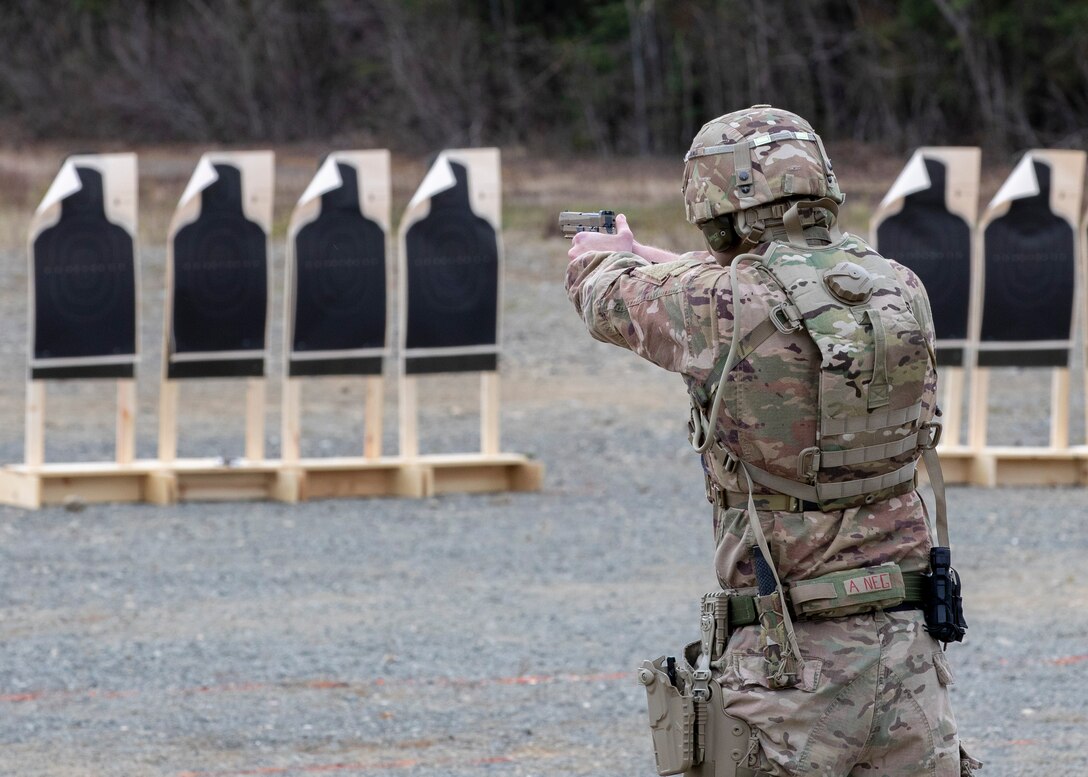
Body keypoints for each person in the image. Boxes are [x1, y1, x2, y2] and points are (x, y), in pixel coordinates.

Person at [564, 106, 979, 777]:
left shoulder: (713, 305)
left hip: (792, 665)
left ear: (717, 207)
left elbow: (607, 298)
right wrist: (662, 262)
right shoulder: (898, 286)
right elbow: (783, 297)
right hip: (910, 654)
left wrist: (603, 257)